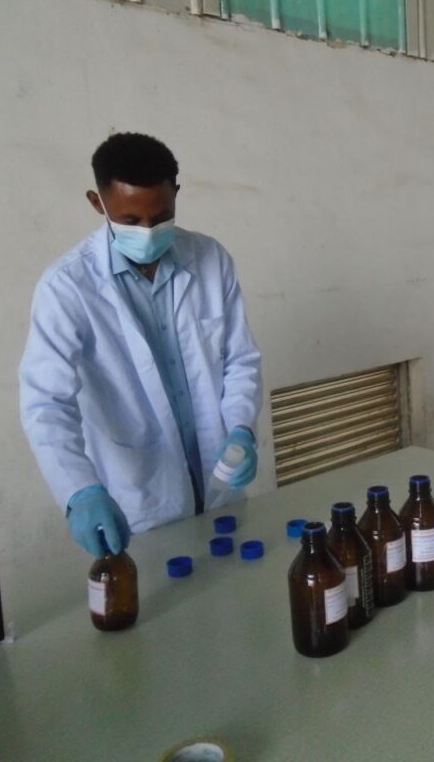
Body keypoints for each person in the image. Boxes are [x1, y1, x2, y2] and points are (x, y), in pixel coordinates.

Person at [19, 132, 263, 555]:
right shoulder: (67, 287)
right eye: (131, 220)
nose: (148, 232)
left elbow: (239, 360)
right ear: (98, 203)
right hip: (140, 498)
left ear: (176, 195)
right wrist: (80, 491)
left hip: (220, 486)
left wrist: (240, 427)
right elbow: (46, 403)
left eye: (161, 217)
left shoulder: (211, 259)